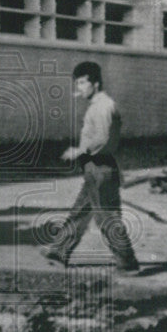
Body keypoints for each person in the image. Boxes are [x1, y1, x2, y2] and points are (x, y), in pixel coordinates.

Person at [39, 61, 139, 273]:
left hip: (101, 168)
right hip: (96, 168)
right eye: (77, 83)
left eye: (83, 83)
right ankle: (59, 250)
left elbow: (102, 139)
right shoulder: (99, 105)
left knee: (107, 218)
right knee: (81, 211)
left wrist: (79, 151)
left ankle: (127, 263)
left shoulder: (102, 106)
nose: (79, 88)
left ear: (95, 83)